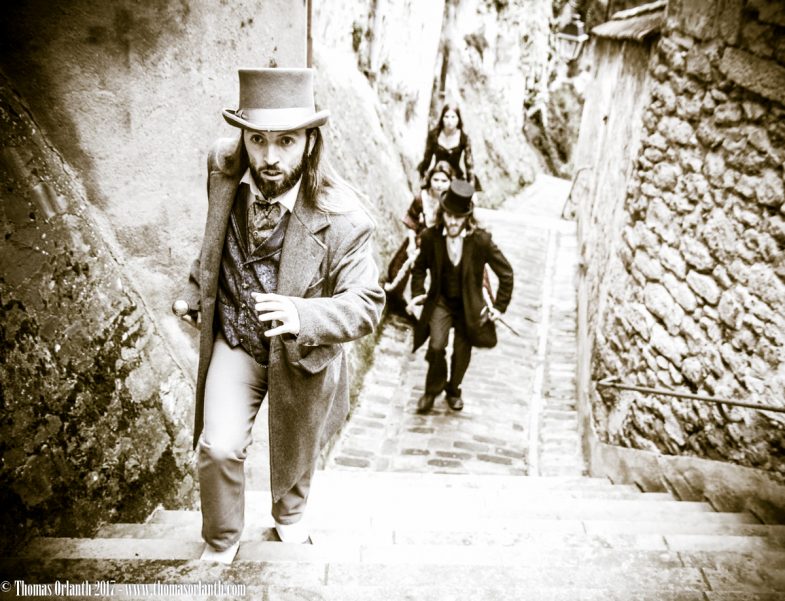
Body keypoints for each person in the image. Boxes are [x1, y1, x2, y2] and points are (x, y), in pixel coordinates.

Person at [172, 67, 385, 563]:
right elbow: (214, 240)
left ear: (310, 143)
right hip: (237, 340)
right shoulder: (222, 167)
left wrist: (302, 314)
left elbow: (366, 303)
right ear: (242, 138)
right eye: (258, 140)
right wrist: (195, 289)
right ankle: (221, 545)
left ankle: (290, 522)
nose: (270, 157)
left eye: (286, 140)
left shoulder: (346, 219)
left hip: (302, 355)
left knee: (295, 456)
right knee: (218, 447)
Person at [409, 180, 513, 413]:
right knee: (436, 346)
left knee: (462, 351)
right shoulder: (430, 237)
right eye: (449, 216)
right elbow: (419, 269)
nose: (453, 222)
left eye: (458, 217)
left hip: (469, 306)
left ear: (467, 217)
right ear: (442, 214)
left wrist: (499, 306)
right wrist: (418, 295)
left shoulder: (481, 241)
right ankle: (432, 389)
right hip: (441, 302)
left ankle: (454, 389)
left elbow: (506, 273)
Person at [385, 160, 455, 316]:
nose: (439, 185)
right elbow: (412, 220)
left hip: (441, 242)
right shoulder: (421, 198)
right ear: (429, 179)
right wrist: (411, 243)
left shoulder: (451, 200)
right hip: (418, 240)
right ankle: (402, 303)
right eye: (436, 180)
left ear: (451, 182)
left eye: (444, 181)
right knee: (401, 267)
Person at [417, 103, 477, 188]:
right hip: (437, 173)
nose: (449, 121)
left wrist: (471, 186)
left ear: (458, 119)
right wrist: (423, 175)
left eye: (453, 117)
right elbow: (427, 159)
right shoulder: (434, 135)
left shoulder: (464, 138)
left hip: (455, 177)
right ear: (442, 118)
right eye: (446, 117)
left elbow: (469, 164)